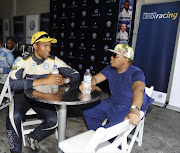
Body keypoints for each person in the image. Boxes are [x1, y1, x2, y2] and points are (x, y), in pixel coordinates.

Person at [6, 31, 80, 153]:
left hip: (42, 97)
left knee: (54, 120)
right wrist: (44, 80)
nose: (49, 48)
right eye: (45, 45)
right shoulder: (22, 60)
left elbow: (76, 74)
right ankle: (16, 150)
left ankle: (34, 136)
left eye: (50, 45)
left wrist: (65, 80)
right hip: (23, 96)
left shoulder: (53, 60)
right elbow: (13, 84)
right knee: (13, 116)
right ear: (35, 46)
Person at [79, 44, 154, 131]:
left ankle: (105, 140)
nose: (111, 57)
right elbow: (95, 79)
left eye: (115, 55)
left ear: (126, 59)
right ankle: (98, 137)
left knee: (110, 130)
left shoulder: (136, 73)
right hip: (114, 101)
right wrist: (88, 84)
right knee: (88, 112)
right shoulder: (110, 69)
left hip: (129, 105)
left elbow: (139, 90)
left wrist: (135, 109)